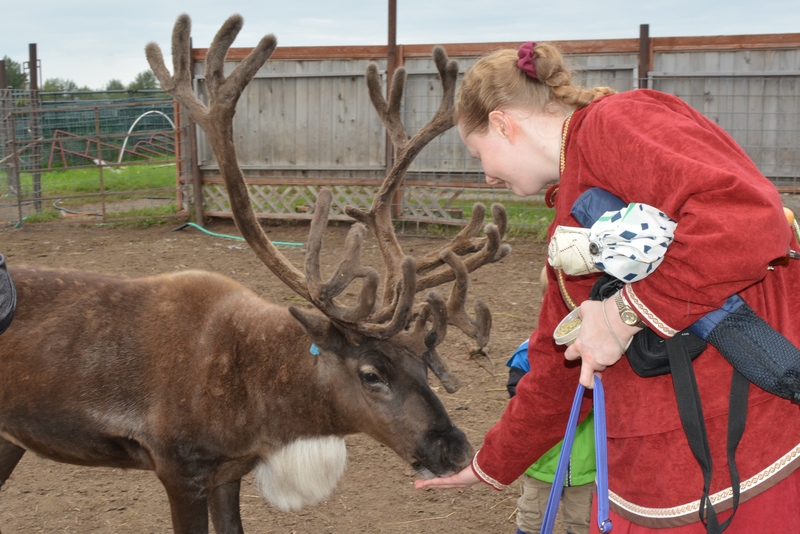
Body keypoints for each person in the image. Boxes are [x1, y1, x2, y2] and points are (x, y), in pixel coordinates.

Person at [415, 41, 800, 533]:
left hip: (747, 453)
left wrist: (623, 314)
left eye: (478, 153)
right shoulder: (568, 210)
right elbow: (558, 361)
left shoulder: (616, 123)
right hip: (651, 477)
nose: (485, 175)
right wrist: (490, 465)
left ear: (502, 124)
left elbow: (745, 218)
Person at [507, 339, 595, 534]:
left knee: (583, 523)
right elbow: (516, 392)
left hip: (586, 466)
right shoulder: (531, 351)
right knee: (532, 519)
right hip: (541, 463)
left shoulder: (599, 349)